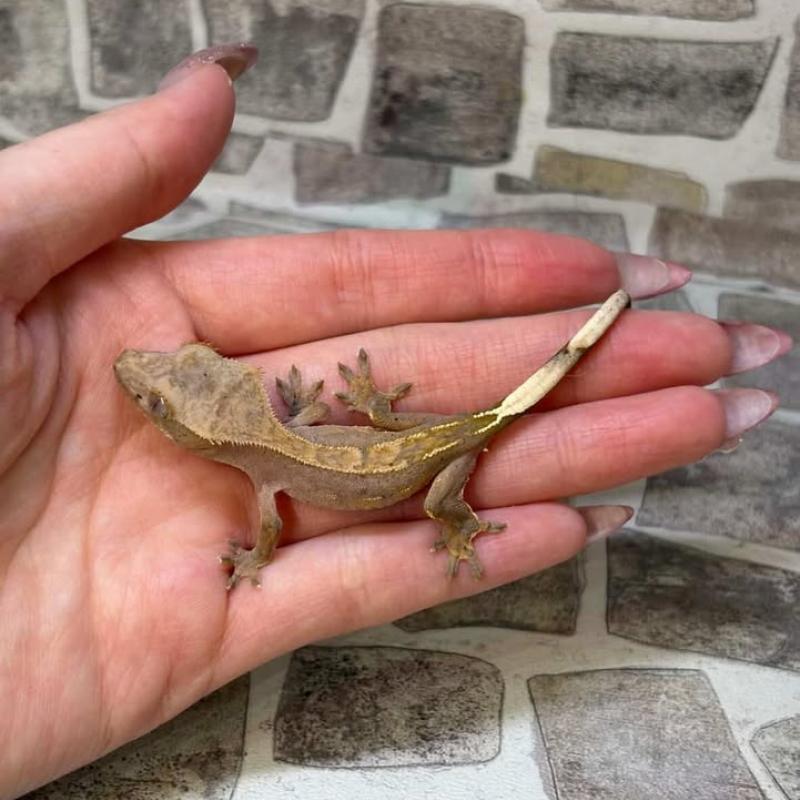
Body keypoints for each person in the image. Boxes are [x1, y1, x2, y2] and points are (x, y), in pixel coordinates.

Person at [0, 44, 788, 797]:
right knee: (449, 425)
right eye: (159, 398)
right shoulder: (282, 443)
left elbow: (268, 534)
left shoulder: (268, 478)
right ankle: (495, 389)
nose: (143, 385)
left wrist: (272, 555)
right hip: (407, 438)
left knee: (447, 499)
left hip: (435, 462)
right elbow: (299, 445)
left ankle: (459, 515)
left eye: (160, 397)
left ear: (206, 434)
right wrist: (368, 411)